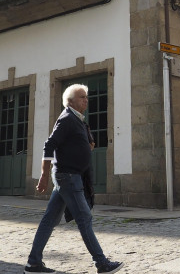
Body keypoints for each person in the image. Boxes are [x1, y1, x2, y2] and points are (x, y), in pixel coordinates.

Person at [24, 84, 123, 274]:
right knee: (84, 218)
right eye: (81, 97)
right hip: (68, 177)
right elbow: (49, 145)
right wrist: (44, 175)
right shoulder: (67, 118)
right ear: (70, 101)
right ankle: (101, 263)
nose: (86, 100)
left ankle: (33, 263)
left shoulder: (77, 120)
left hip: (68, 177)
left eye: (86, 97)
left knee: (49, 220)